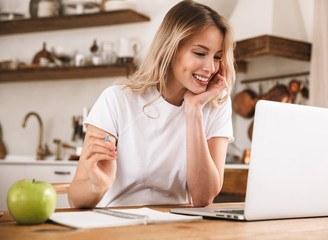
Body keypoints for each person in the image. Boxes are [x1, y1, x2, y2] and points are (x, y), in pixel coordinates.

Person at [68, 0, 236, 208]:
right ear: (170, 49)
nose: (210, 67)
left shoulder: (215, 105)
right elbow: (74, 198)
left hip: (181, 227)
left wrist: (194, 111)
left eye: (218, 57)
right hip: (119, 226)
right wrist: (97, 187)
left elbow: (203, 197)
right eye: (200, 53)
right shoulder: (117, 100)